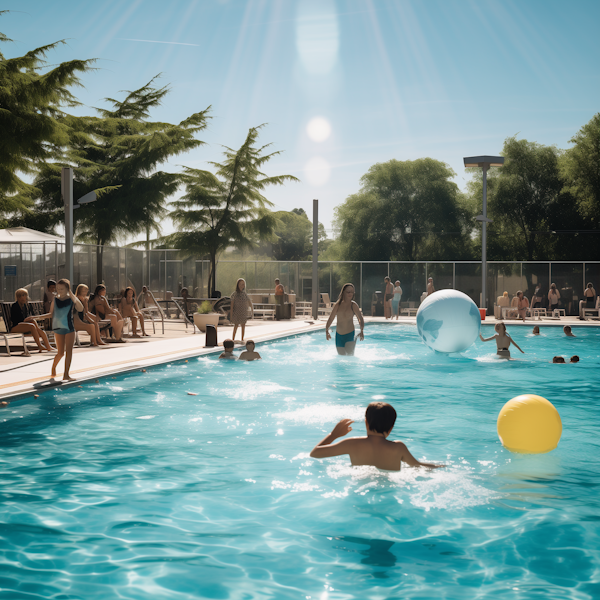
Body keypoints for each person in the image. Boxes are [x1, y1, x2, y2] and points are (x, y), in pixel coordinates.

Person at [309, 402, 445, 471]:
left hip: (361, 481)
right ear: (391, 427)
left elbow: (314, 453)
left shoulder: (351, 444)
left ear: (366, 422)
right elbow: (418, 466)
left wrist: (334, 435)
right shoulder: (398, 447)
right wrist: (439, 466)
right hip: (389, 487)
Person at [49, 279, 84, 381]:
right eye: (58, 288)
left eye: (62, 289)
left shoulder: (71, 299)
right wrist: (36, 318)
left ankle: (66, 374)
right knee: (60, 353)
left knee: (69, 351)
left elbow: (80, 309)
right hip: (58, 328)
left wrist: (72, 295)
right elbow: (51, 314)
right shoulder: (55, 299)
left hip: (69, 328)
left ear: (67, 289)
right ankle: (53, 367)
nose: (59, 290)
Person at [325, 283, 365, 356]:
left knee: (349, 357)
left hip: (350, 335)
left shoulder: (353, 305)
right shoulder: (338, 305)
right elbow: (331, 318)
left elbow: (360, 318)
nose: (350, 294)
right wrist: (327, 331)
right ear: (343, 292)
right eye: (348, 292)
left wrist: (361, 331)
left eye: (352, 292)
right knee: (341, 358)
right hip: (339, 336)